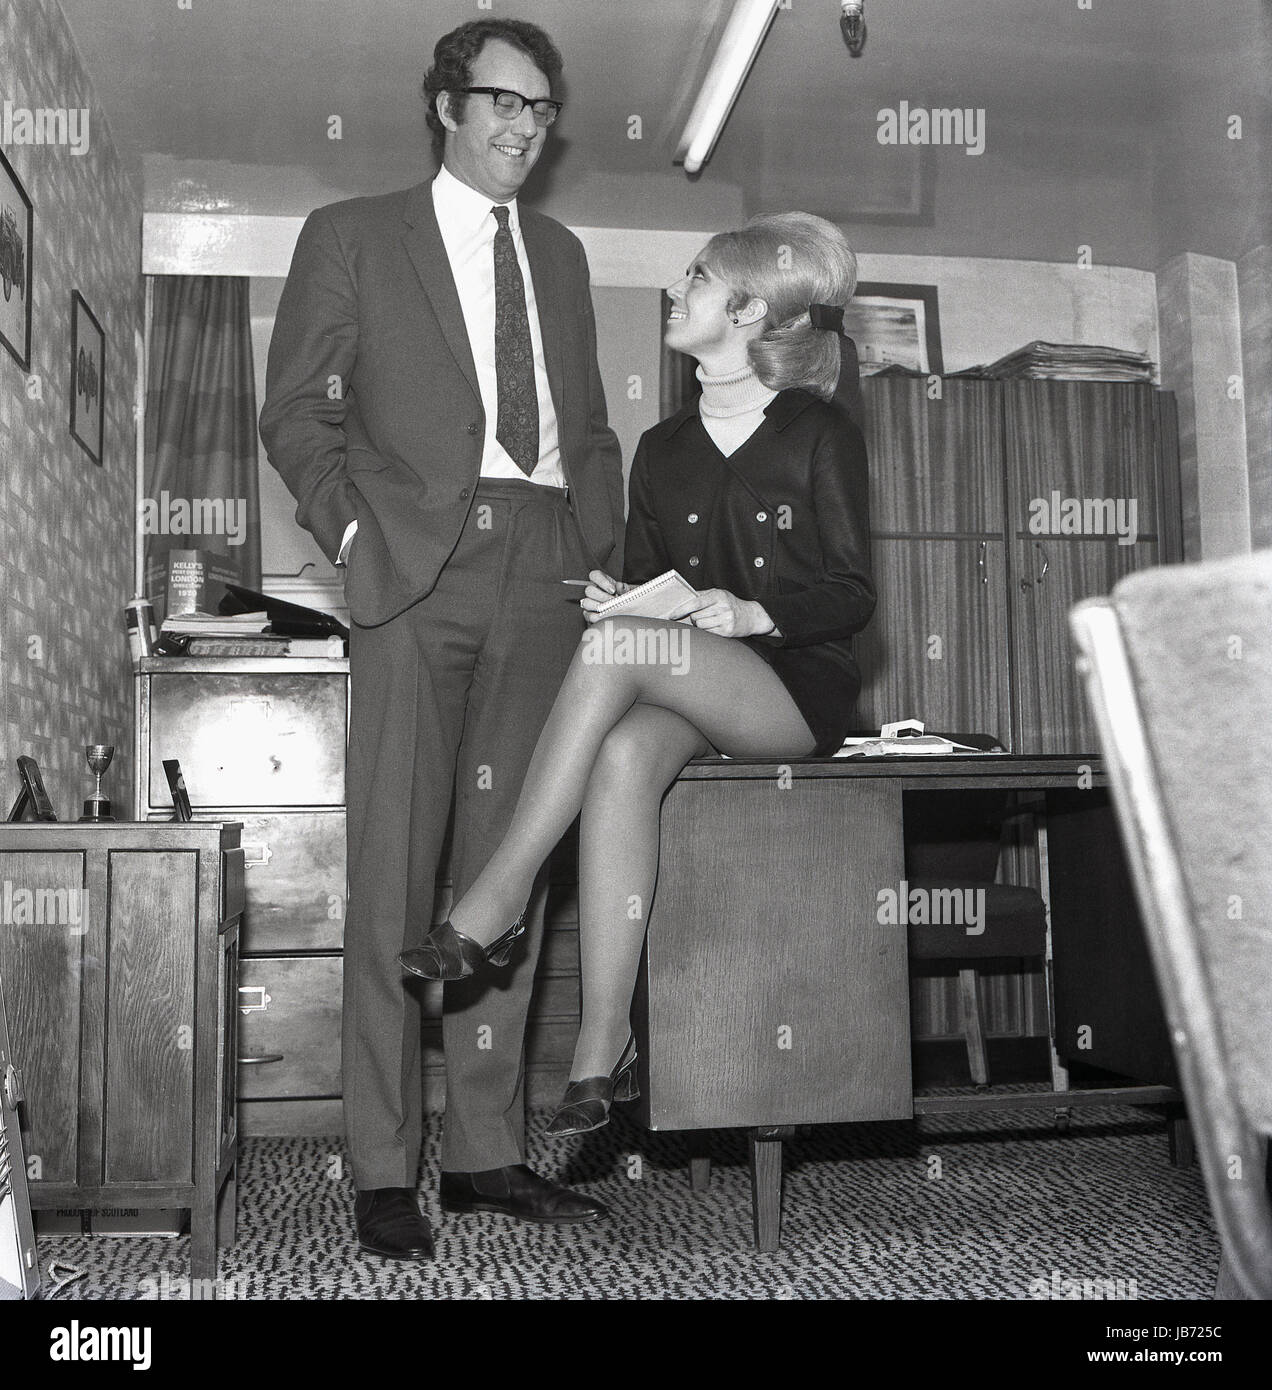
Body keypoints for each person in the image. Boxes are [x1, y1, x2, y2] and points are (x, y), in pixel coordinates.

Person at [259, 17, 624, 1261]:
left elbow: (589, 424)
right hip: (414, 568)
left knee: (504, 873)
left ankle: (483, 1153)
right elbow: (296, 410)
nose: (526, 126)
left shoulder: (566, 259)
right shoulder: (352, 235)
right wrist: (357, 544)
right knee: (395, 871)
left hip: (545, 569)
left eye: (542, 109)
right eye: (504, 103)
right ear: (444, 106)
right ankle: (380, 1163)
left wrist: (593, 548)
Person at [401, 212, 875, 1136]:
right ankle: (600, 1048)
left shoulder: (820, 433)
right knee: (620, 754)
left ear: (744, 310)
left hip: (791, 687)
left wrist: (752, 612)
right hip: (696, 685)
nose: (673, 290)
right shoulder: (660, 449)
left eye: (694, 278)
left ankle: (500, 896)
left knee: (617, 653)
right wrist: (625, 596)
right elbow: (667, 584)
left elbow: (853, 593)